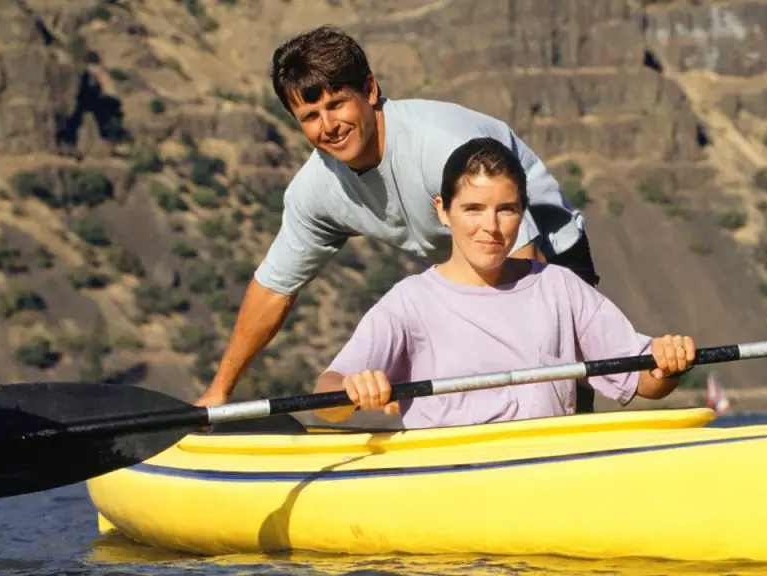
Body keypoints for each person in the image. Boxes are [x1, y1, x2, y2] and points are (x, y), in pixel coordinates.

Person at [195, 25, 602, 410]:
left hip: (546, 257)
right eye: (311, 116)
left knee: (552, 393)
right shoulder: (315, 190)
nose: (329, 126)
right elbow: (274, 289)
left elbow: (526, 265)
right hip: (459, 275)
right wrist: (219, 392)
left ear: (370, 90)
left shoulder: (443, 147)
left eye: (337, 104)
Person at [311, 137, 696, 428]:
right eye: (473, 209)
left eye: (506, 210)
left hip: (549, 479)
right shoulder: (410, 302)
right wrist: (351, 391)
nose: (490, 228)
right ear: (443, 212)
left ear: (522, 213)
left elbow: (643, 382)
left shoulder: (560, 287)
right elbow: (326, 395)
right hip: (452, 489)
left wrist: (668, 365)